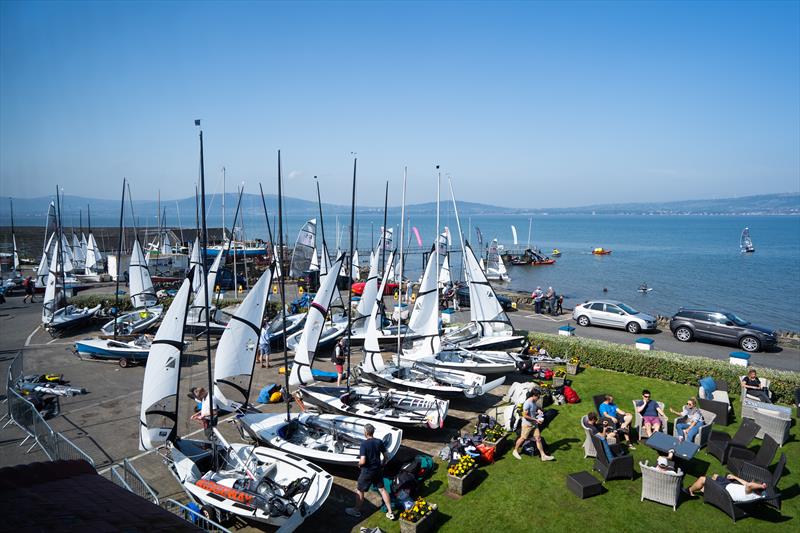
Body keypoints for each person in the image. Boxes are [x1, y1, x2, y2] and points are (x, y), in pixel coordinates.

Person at [345, 423, 395, 520]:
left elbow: (363, 460)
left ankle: (356, 511)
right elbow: (386, 456)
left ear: (366, 432)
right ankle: (390, 512)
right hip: (378, 469)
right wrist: (383, 463)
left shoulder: (364, 444)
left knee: (360, 490)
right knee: (382, 489)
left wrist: (359, 464)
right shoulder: (379, 442)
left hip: (367, 471)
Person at [512, 390, 555, 461]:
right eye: (537, 397)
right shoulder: (527, 403)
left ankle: (543, 455)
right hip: (527, 425)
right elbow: (525, 415)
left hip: (534, 424)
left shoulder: (534, 401)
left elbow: (534, 408)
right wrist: (535, 420)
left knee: (538, 438)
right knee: (523, 438)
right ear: (533, 396)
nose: (538, 398)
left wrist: (538, 410)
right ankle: (515, 450)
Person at [687, 473, 768, 500]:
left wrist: (762, 486)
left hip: (724, 490)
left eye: (752, 483)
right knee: (715, 476)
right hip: (728, 484)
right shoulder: (755, 492)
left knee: (702, 479)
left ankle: (689, 490)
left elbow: (749, 485)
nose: (750, 482)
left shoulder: (751, 493)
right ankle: (708, 490)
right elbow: (747, 484)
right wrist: (734, 477)